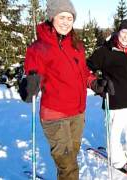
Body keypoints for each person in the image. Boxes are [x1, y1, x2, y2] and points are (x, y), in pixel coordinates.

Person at [18, 0, 102, 179]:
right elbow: (32, 74)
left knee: (70, 157)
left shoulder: (77, 45)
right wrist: (29, 84)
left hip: (77, 113)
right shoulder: (39, 47)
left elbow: (83, 72)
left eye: (70, 18)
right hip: (55, 115)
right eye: (61, 16)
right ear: (52, 18)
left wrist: (94, 83)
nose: (66, 21)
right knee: (68, 166)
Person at [87, 19, 127, 175]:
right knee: (114, 135)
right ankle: (119, 161)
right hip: (114, 101)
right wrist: (97, 83)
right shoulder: (106, 51)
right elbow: (87, 67)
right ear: (118, 32)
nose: (126, 37)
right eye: (123, 32)